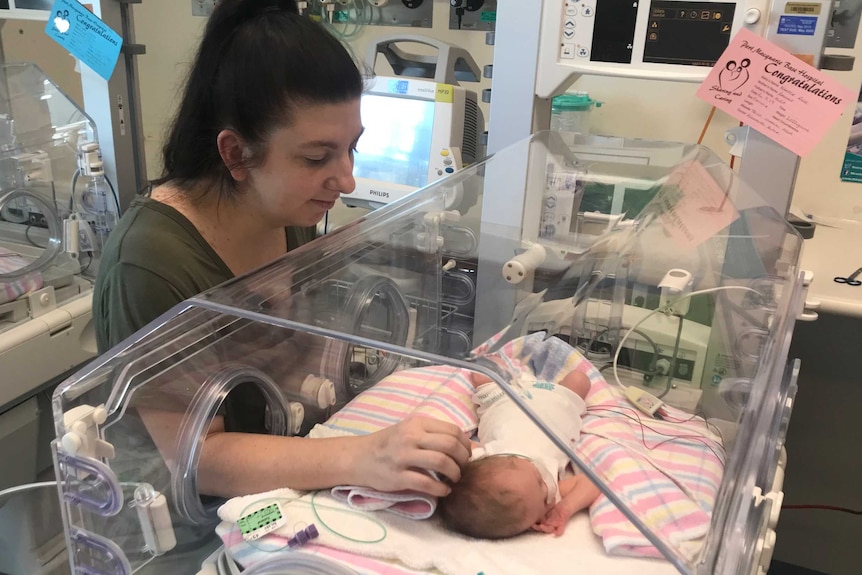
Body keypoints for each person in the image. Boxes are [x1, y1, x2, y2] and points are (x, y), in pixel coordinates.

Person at [92, 0, 470, 500]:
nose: (346, 178)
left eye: (351, 147)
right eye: (317, 157)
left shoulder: (286, 216)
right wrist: (365, 455)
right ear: (235, 153)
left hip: (281, 480)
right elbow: (198, 459)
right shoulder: (151, 263)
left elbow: (290, 356)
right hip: (189, 524)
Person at [438, 366, 600, 539]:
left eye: (538, 480)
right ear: (537, 522)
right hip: (557, 400)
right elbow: (591, 483)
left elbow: (453, 442)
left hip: (503, 397)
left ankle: (506, 364)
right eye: (544, 493)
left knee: (481, 372)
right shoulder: (552, 491)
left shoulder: (487, 456)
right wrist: (566, 508)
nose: (545, 481)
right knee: (579, 379)